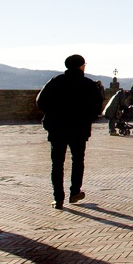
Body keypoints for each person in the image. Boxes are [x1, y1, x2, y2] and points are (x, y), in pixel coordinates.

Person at [36, 55, 103, 209]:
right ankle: (75, 192)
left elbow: (40, 102)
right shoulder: (88, 84)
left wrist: (54, 113)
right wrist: (85, 118)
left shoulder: (56, 81)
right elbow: (97, 107)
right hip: (79, 128)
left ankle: (58, 198)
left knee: (57, 163)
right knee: (77, 160)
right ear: (81, 66)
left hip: (57, 128)